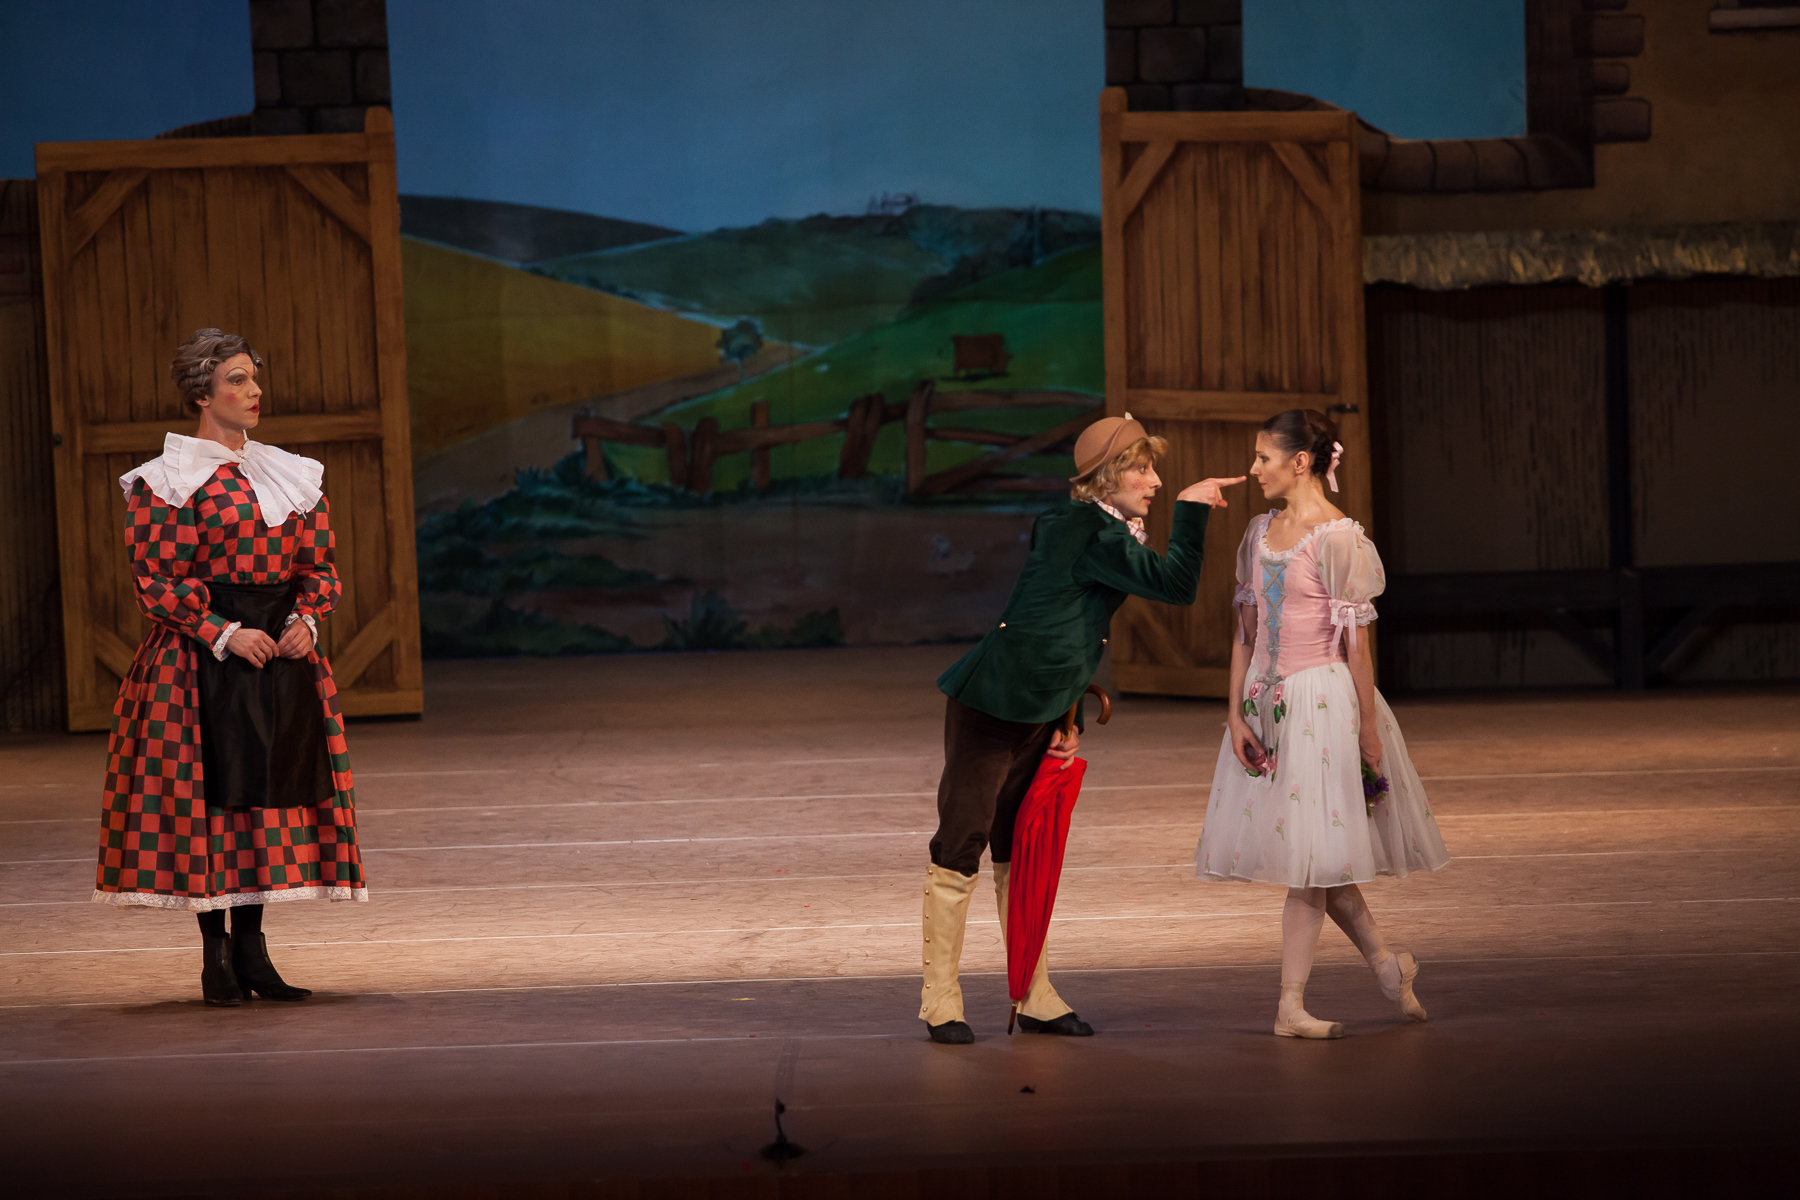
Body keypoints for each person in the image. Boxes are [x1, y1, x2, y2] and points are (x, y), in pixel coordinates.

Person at [920, 414, 1244, 1044]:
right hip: (992, 707)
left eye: (1154, 469)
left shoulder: (1094, 529)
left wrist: (1066, 717)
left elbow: (1070, 629)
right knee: (962, 845)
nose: (1154, 480)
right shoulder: (1085, 531)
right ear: (1107, 477)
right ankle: (939, 999)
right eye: (1141, 468)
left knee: (1025, 851)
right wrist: (1191, 509)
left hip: (1041, 713)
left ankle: (1033, 993)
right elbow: (1176, 585)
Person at [92, 328, 366, 1005]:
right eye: (237, 380)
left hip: (279, 652)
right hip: (199, 659)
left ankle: (253, 952)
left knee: (264, 804)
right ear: (201, 395)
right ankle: (215, 957)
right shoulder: (169, 482)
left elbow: (319, 566)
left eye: (253, 378)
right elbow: (155, 580)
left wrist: (306, 619)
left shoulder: (288, 475)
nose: (254, 391)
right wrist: (224, 632)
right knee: (210, 803)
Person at [1195, 409, 1448, 1038]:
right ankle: (1388, 965)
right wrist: (1235, 712)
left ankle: (1290, 1005)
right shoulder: (1258, 532)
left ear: (1300, 461)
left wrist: (1368, 729)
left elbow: (1357, 647)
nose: (1255, 469)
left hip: (1320, 707)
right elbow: (1244, 633)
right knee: (1316, 858)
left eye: (1263, 457)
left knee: (1310, 865)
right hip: (1269, 702)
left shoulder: (1338, 538)